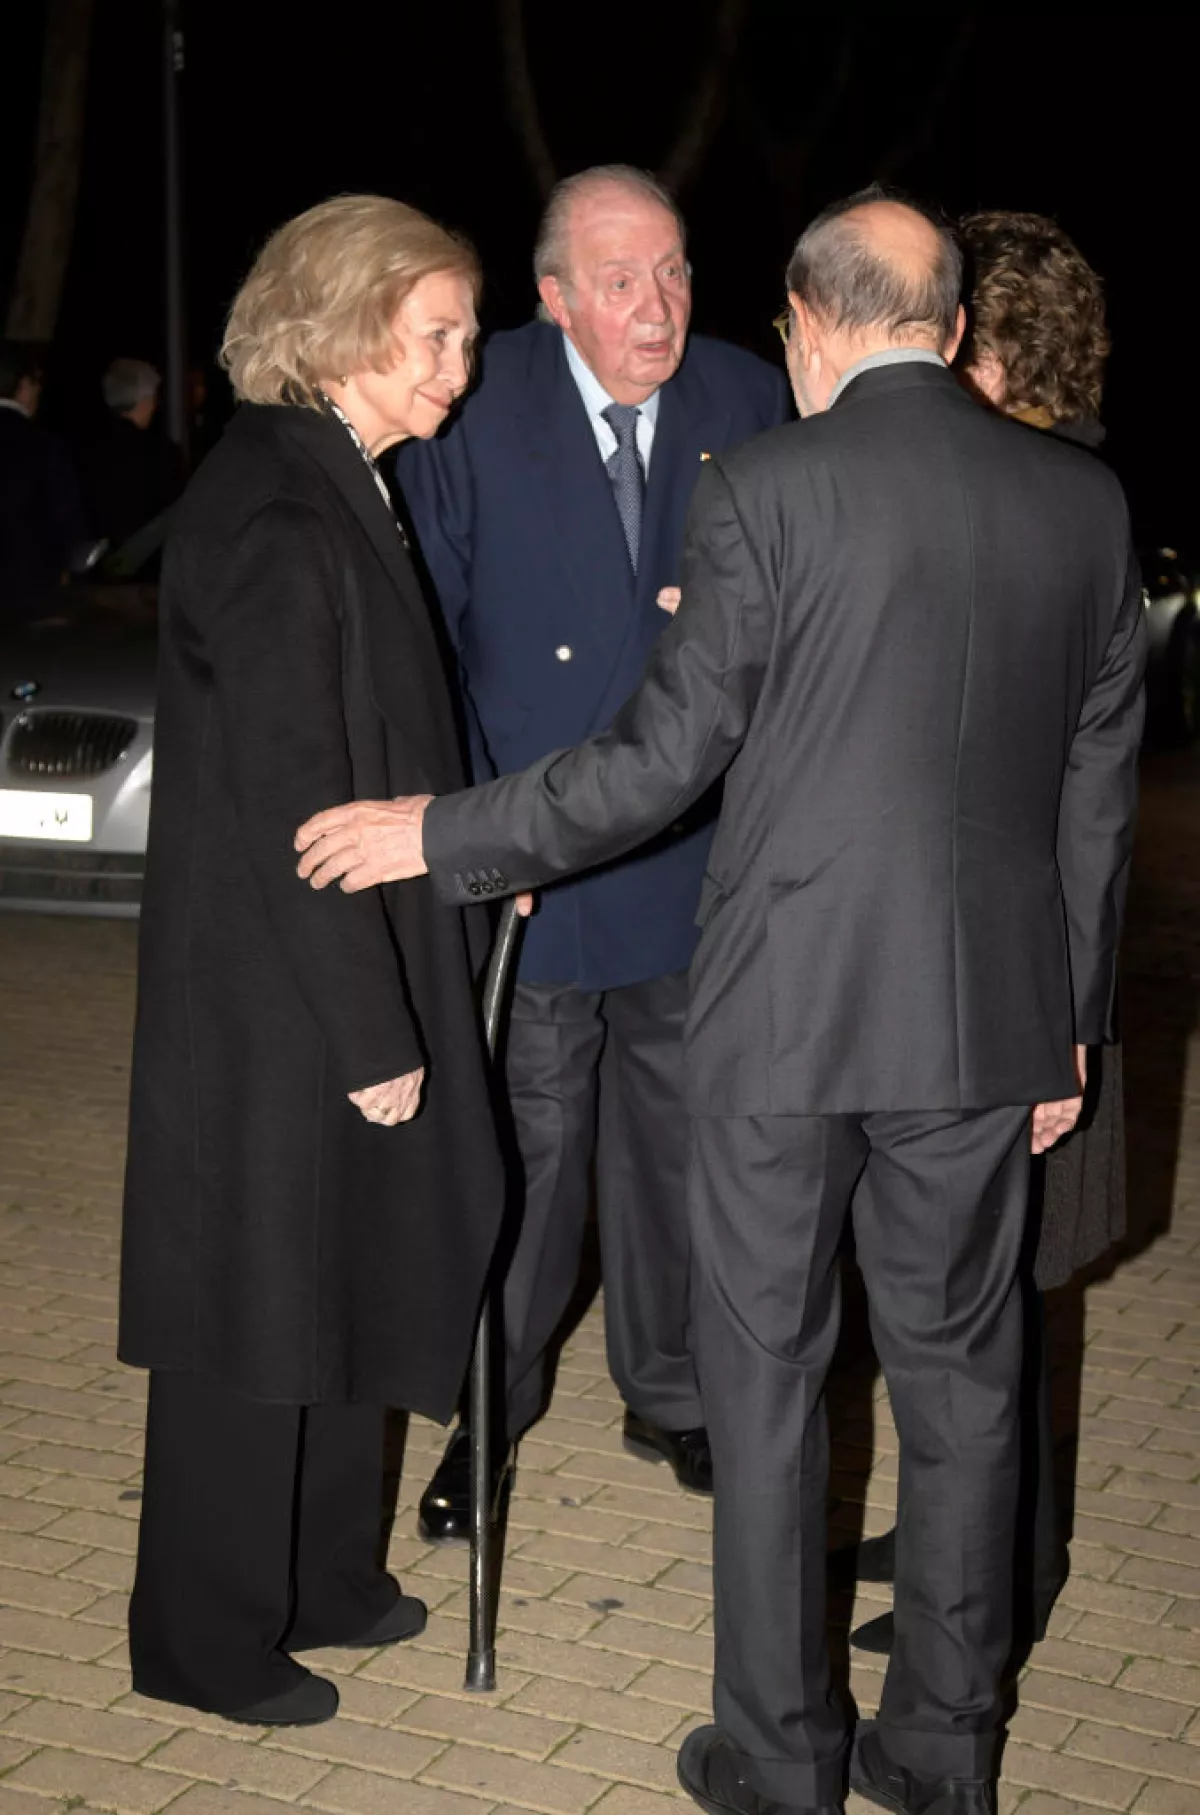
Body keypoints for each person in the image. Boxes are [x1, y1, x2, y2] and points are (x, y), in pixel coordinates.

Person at [296, 189, 1145, 1814]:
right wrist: (1073, 1024)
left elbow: (655, 768)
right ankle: (943, 1757)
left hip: (780, 1030)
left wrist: (444, 831)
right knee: (968, 1389)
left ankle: (780, 1759)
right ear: (951, 329)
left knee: (766, 1391)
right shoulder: (1083, 507)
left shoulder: (763, 489)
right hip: (984, 1028)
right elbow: (1091, 805)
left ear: (810, 325)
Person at [118, 195, 507, 1728]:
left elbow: (388, 750)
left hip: (346, 964)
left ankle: (330, 1571)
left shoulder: (339, 477)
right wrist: (371, 1027)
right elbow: (296, 797)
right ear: (342, 325)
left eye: (466, 333)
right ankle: (204, 1637)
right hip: (283, 1004)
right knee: (251, 1312)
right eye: (439, 333)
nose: (462, 368)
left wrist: (472, 873)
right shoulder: (281, 508)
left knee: (351, 1272)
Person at [394, 164, 789, 1538]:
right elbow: (426, 637)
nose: (658, 304)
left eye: (674, 269)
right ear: (555, 297)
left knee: (679, 1146)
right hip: (535, 868)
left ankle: (672, 1389)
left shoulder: (745, 397)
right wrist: (476, 829)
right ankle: (485, 1417)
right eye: (620, 280)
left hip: (693, 864)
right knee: (527, 1159)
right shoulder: (476, 400)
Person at [847, 209, 1126, 1660]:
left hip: (1031, 985)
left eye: (949, 331)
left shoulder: (1056, 502)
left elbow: (1095, 796)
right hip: (1000, 969)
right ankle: (970, 1535)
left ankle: (1008, 1578)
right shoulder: (1038, 483)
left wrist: (1067, 1016)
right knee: (977, 1302)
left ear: (998, 349)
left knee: (1003, 1307)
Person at [0, 339, 87, 618]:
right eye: (36, 382)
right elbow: (67, 513)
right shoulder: (43, 445)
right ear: (23, 384)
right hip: (31, 587)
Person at [80, 357, 182, 551]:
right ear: (144, 401)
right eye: (152, 398)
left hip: (98, 564)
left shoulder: (87, 447)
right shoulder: (159, 452)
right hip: (146, 565)